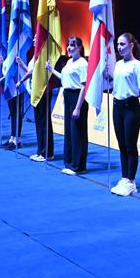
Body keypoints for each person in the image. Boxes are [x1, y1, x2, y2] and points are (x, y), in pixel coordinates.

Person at [110, 33, 140, 197]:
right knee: (122, 145)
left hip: (130, 107)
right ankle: (124, 178)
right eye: (118, 44)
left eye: (122, 44)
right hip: (117, 107)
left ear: (131, 45)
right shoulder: (118, 64)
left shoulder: (138, 66)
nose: (119, 47)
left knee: (130, 145)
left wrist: (129, 92)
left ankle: (131, 182)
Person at [47, 37, 88, 175]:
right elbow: (65, 79)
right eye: (68, 45)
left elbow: (84, 86)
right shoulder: (69, 62)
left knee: (78, 132)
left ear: (79, 47)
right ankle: (70, 163)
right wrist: (51, 70)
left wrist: (78, 107)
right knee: (69, 131)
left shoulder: (82, 63)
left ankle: (79, 166)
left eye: (72, 45)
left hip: (77, 97)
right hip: (68, 95)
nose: (69, 48)